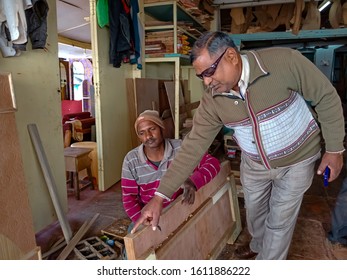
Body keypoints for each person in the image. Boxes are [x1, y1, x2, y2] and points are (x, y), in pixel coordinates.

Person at [130, 31, 345, 260]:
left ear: (231, 56)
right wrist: (160, 196)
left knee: (279, 223)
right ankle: (258, 244)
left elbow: (326, 97)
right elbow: (193, 146)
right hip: (254, 163)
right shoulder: (213, 99)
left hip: (298, 160)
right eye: (201, 76)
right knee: (254, 214)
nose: (206, 82)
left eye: (209, 72)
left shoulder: (284, 62)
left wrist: (334, 149)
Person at [121, 109, 221, 225]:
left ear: (161, 128)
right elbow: (129, 197)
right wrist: (141, 220)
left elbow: (213, 163)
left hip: (179, 210)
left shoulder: (180, 148)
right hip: (150, 216)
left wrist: (193, 181)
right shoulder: (131, 160)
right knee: (134, 237)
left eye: (152, 129)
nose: (148, 136)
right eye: (142, 133)